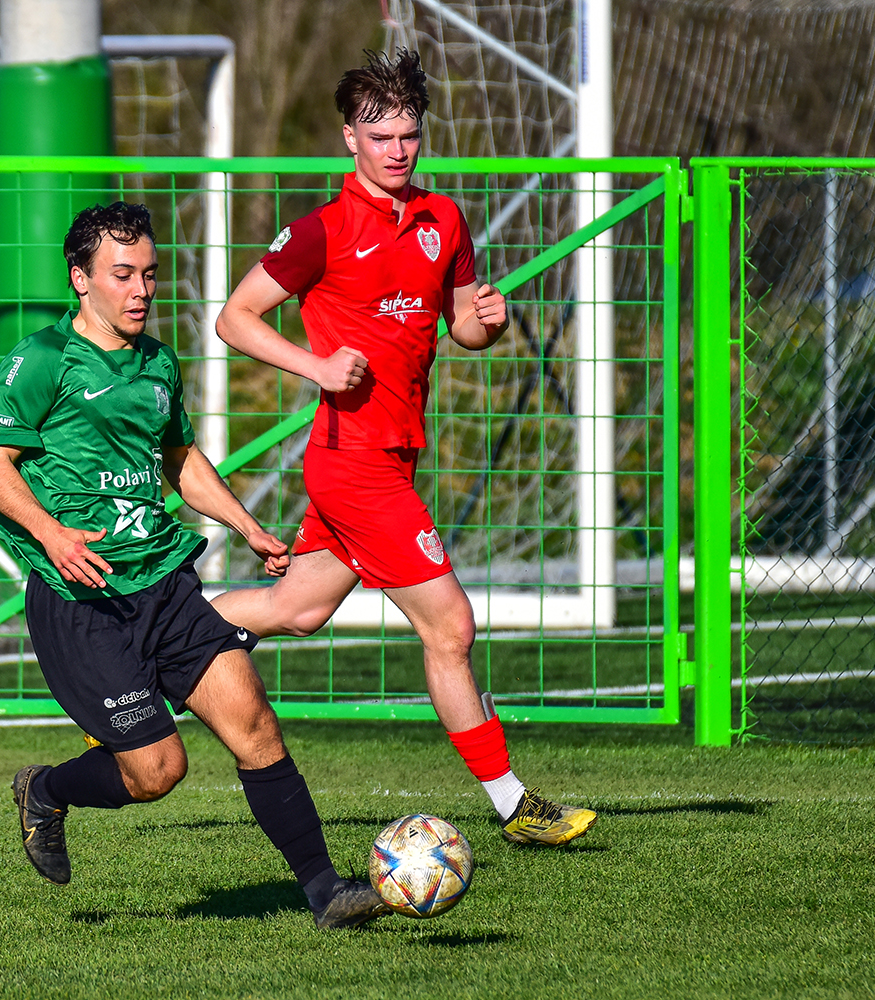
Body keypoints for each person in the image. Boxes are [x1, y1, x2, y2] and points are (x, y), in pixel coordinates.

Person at [210, 49, 597, 847]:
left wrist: (486, 325)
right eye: (380, 136)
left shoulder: (443, 219)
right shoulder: (320, 232)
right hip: (352, 463)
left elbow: (462, 326)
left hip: (393, 455)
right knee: (450, 627)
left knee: (296, 609)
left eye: (409, 135)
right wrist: (317, 366)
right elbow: (234, 319)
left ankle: (144, 648)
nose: (397, 150)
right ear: (349, 137)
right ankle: (516, 808)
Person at [0, 201, 389, 929]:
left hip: (164, 582)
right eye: (122, 274)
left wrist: (246, 525)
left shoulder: (159, 362)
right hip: (83, 600)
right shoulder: (41, 359)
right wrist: (53, 534)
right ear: (80, 279)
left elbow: (180, 459)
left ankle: (327, 893)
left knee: (255, 723)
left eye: (149, 274)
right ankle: (47, 790)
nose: (140, 290)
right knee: (158, 770)